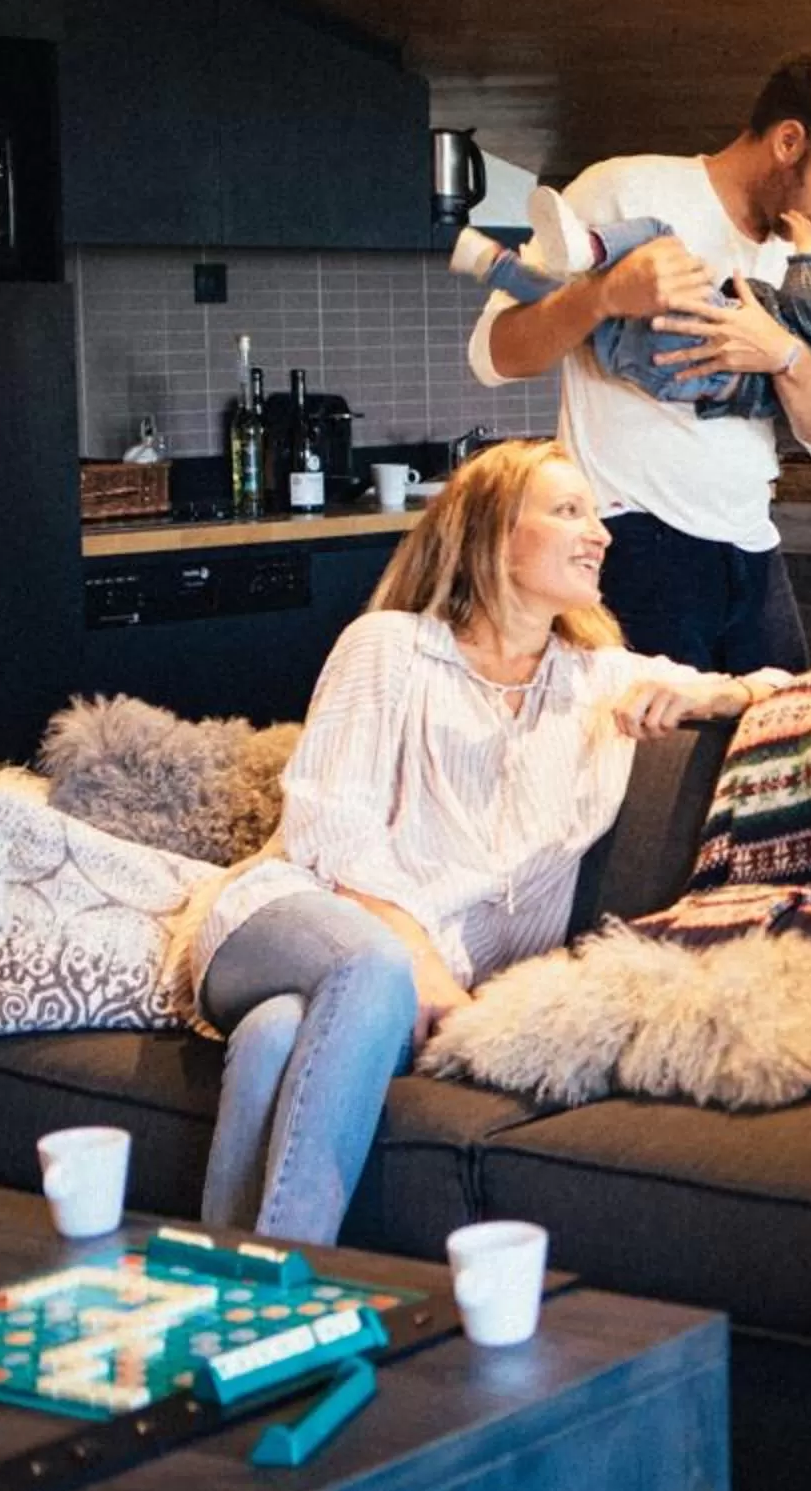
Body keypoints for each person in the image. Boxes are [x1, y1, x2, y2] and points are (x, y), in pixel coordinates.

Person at [194, 440, 773, 1243]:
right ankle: (298, 1281)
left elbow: (790, 687)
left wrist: (724, 692)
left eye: (596, 513)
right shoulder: (391, 648)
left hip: (385, 984)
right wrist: (419, 956)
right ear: (494, 535)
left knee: (276, 1035)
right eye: (568, 511)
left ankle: (221, 1295)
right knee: (373, 966)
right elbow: (327, 831)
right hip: (288, 918)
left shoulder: (596, 679)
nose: (600, 533)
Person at [469, 45, 811, 672]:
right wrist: (602, 295)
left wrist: (781, 353)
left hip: (752, 543)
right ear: (788, 141)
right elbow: (493, 353)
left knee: (784, 751)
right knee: (655, 765)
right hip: (633, 538)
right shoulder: (624, 190)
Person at [451, 198, 811, 422]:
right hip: (667, 379)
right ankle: (495, 264)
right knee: (584, 321)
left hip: (697, 334)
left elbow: (805, 301)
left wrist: (805, 250)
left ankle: (589, 249)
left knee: (660, 236)